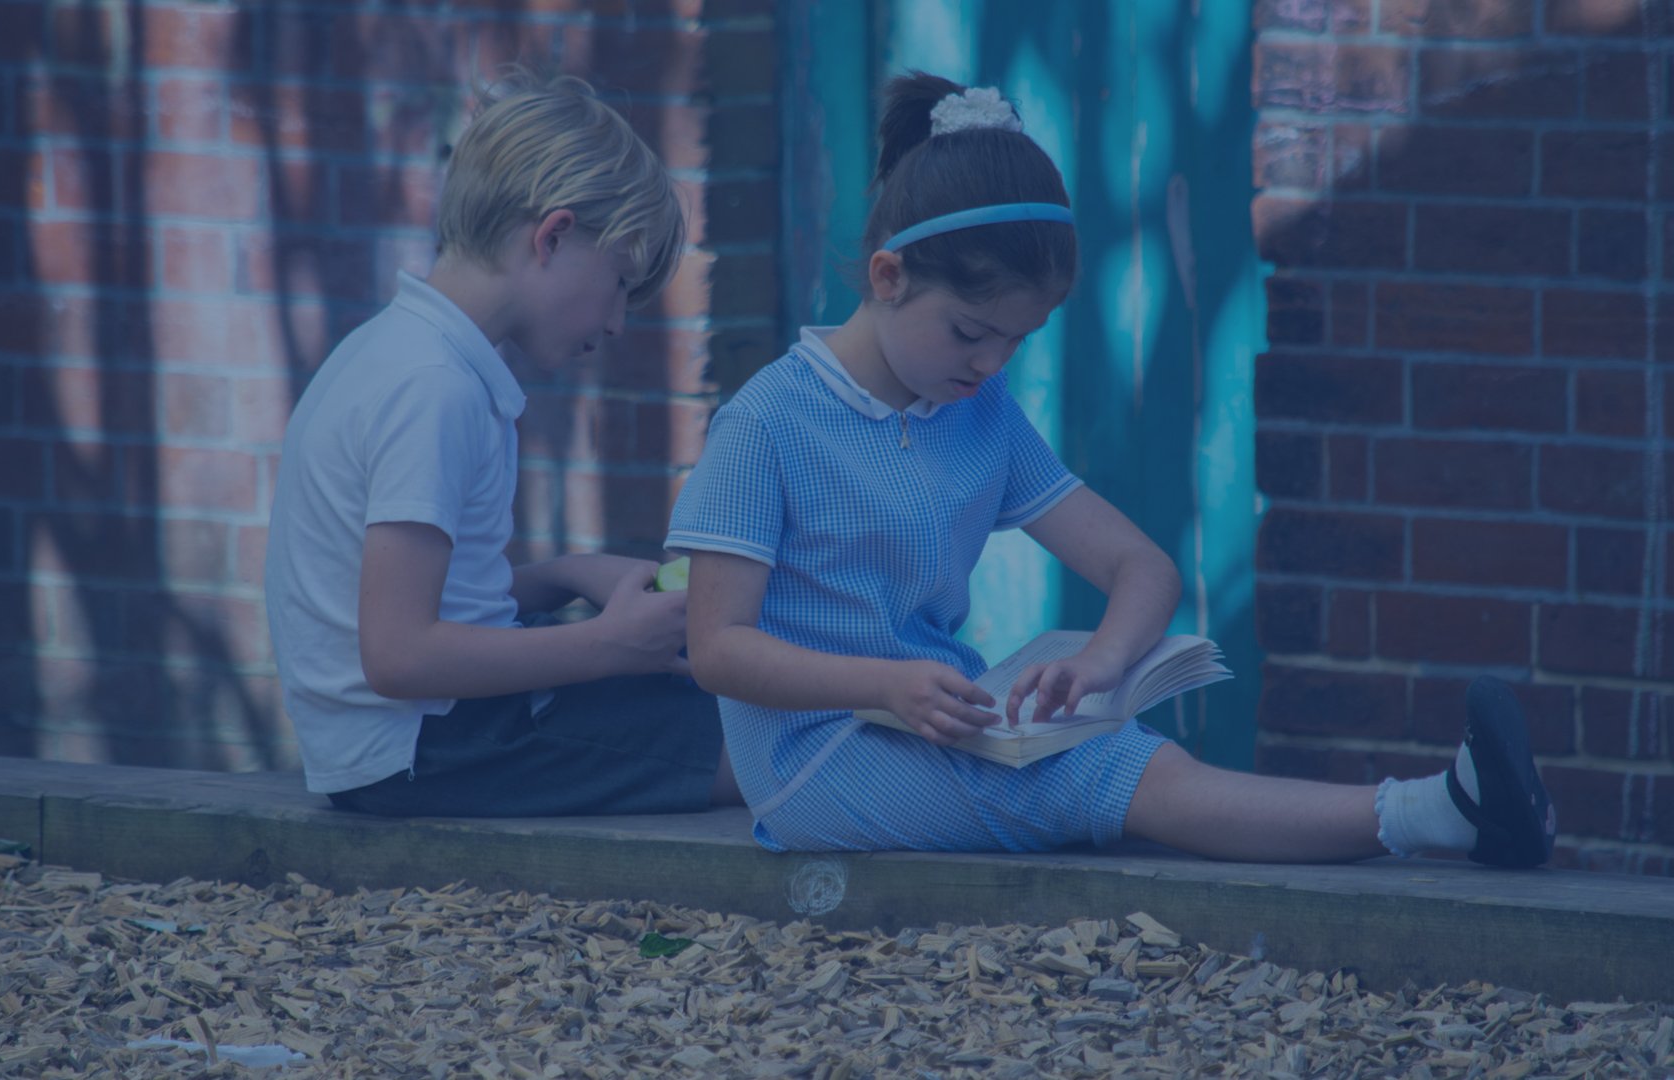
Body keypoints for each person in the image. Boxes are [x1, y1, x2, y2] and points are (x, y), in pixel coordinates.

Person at [665, 71, 1553, 867]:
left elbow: (1141, 567)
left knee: (1109, 762)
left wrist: (1102, 661)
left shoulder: (979, 413)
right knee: (1105, 777)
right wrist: (883, 682)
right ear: (888, 275)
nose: (992, 364)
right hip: (815, 759)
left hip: (937, 725)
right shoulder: (767, 422)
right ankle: (1436, 813)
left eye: (1019, 340)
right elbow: (717, 650)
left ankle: (1448, 813)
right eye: (971, 332)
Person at [265, 71, 741, 817]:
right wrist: (606, 647)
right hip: (425, 748)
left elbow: (428, 608)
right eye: (619, 281)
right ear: (552, 236)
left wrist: (564, 575)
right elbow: (398, 656)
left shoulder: (396, 350)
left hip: (421, 735)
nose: (618, 321)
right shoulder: (434, 388)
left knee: (710, 691)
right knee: (763, 744)